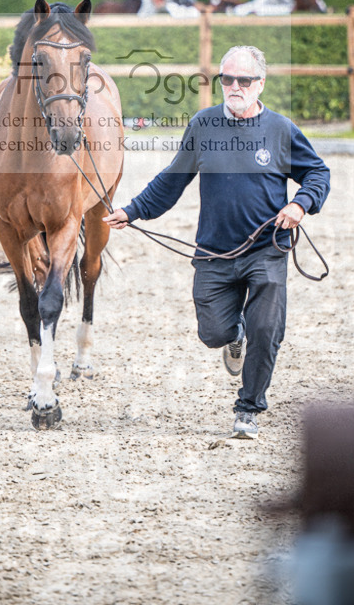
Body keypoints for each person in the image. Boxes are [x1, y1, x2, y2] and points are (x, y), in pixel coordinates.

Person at [103, 44, 330, 440]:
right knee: (212, 332)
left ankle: (248, 409)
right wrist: (132, 210)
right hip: (213, 252)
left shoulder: (280, 129)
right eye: (227, 79)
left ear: (260, 83)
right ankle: (233, 335)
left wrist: (300, 204)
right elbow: (173, 179)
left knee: (267, 328)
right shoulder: (203, 125)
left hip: (268, 248)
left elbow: (317, 173)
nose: (235, 86)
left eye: (244, 80)